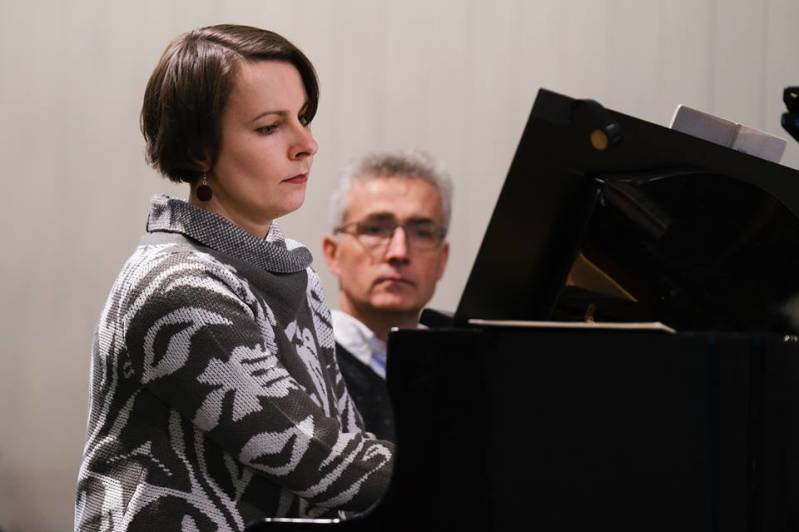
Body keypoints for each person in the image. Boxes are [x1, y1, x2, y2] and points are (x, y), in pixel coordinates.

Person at [75, 25, 393, 531]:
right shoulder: (178, 285)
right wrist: (468, 467)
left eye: (303, 117)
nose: (307, 144)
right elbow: (316, 457)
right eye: (269, 127)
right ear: (200, 150)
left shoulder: (289, 265)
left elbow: (344, 440)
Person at [322, 151, 452, 441]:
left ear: (442, 260)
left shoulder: (463, 377)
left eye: (422, 233)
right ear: (333, 254)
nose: (399, 252)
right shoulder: (302, 364)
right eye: (375, 229)